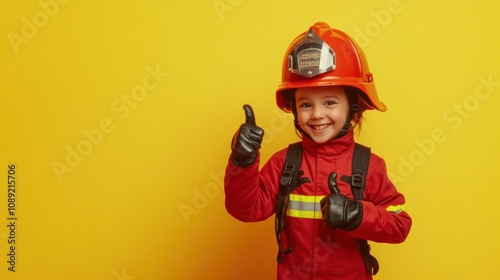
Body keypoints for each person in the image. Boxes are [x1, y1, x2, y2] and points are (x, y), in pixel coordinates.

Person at [224, 22, 411, 280]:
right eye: (305, 104)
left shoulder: (369, 166)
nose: (317, 114)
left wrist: (358, 214)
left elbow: (400, 224)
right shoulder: (284, 163)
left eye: (330, 102)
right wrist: (242, 161)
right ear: (294, 108)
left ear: (353, 106)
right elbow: (245, 209)